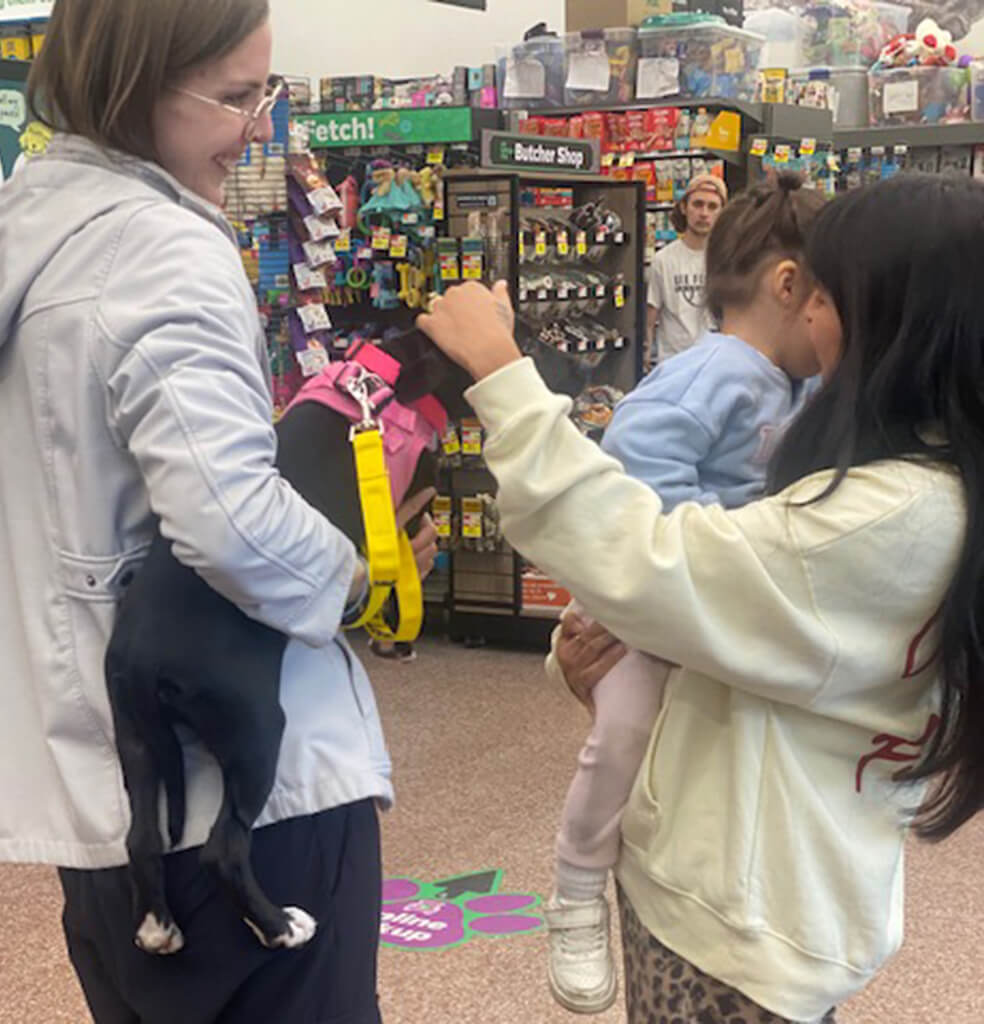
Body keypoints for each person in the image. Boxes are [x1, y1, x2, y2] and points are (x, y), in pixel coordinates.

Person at [0, 2, 436, 1022]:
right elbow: (228, 521)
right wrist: (359, 577)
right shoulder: (163, 250)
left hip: (104, 797)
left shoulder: (33, 241)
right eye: (231, 96)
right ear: (136, 80)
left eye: (262, 93)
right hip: (247, 807)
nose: (255, 126)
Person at [419, 174, 984, 1023]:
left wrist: (504, 375)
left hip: (738, 927)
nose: (813, 318)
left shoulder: (891, 516)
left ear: (900, 314)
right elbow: (734, 612)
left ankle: (570, 886)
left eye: (831, 295)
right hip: (748, 887)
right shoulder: (912, 476)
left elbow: (651, 559)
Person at [544, 173, 825, 1015]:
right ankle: (574, 889)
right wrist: (720, 533)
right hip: (641, 606)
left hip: (709, 613)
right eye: (834, 296)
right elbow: (633, 453)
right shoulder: (715, 371)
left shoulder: (798, 381)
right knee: (622, 734)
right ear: (788, 287)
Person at [646, 173, 726, 366]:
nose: (704, 213)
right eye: (697, 204)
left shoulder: (727, 260)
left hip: (715, 364)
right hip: (674, 365)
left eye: (712, 206)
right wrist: (646, 354)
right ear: (684, 207)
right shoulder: (663, 260)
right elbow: (650, 317)